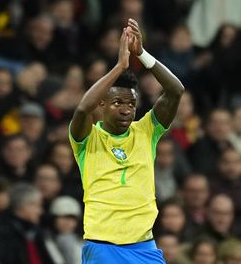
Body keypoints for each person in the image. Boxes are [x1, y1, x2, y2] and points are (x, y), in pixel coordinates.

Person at [69, 18, 185, 262]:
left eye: (131, 103)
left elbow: (175, 90)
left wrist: (141, 54)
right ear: (102, 104)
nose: (126, 110)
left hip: (144, 247)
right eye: (117, 102)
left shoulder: (146, 131)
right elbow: (81, 109)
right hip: (103, 247)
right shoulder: (88, 138)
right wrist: (120, 67)